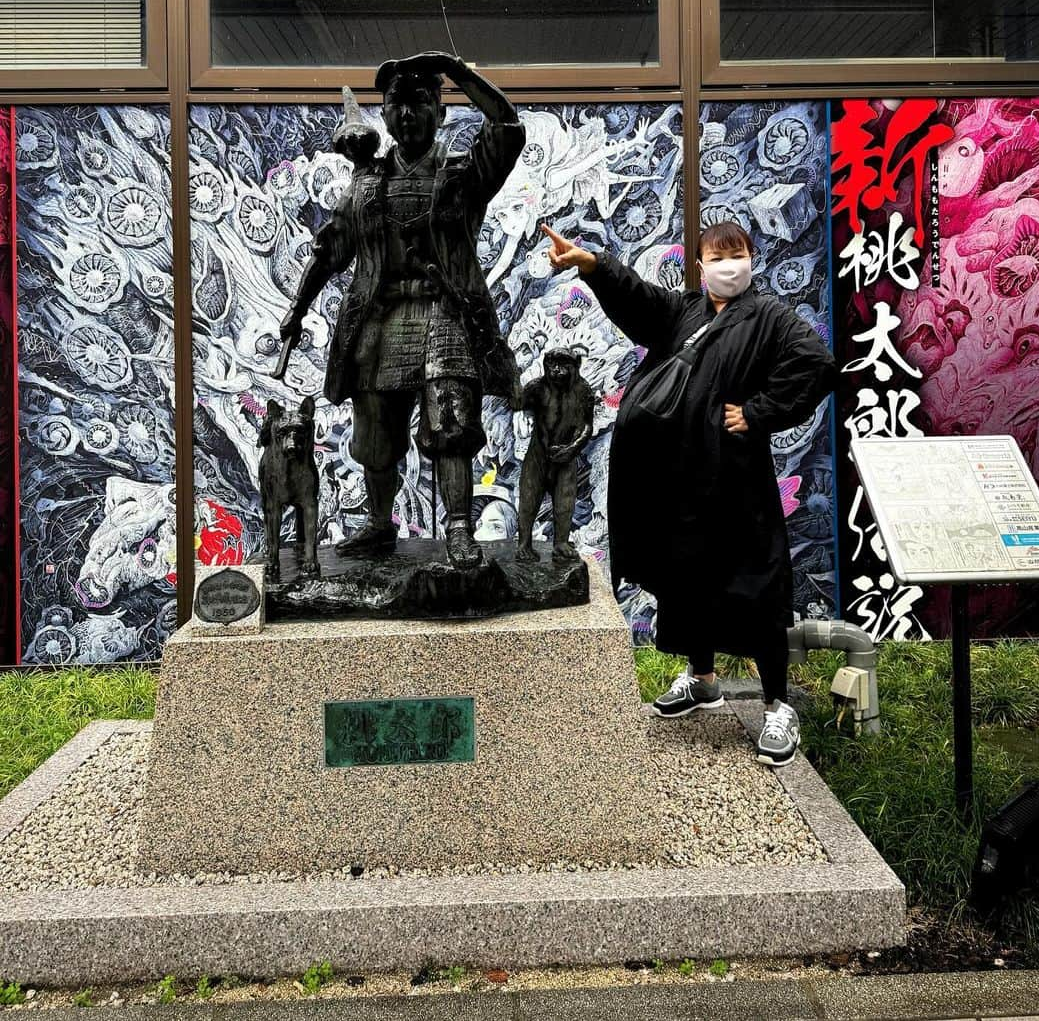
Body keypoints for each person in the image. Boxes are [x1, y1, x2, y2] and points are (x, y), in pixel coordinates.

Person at [542, 220, 838, 767]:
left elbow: (816, 364)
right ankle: (703, 680)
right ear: (701, 266)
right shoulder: (686, 314)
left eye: (738, 254)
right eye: (718, 256)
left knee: (757, 582)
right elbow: (638, 299)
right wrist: (593, 266)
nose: (729, 265)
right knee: (687, 577)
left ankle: (777, 703)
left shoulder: (769, 317)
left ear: (751, 258)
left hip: (737, 481)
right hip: (680, 478)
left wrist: (757, 412)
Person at [281, 52, 524, 572]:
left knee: (451, 421)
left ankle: (459, 528)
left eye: (420, 102)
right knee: (374, 431)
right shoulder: (367, 183)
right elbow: (332, 248)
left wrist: (457, 71)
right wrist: (298, 309)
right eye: (396, 104)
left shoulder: (462, 174)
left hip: (443, 314)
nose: (407, 114)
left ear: (440, 110)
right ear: (384, 114)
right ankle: (378, 524)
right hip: (380, 317)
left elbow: (507, 127)